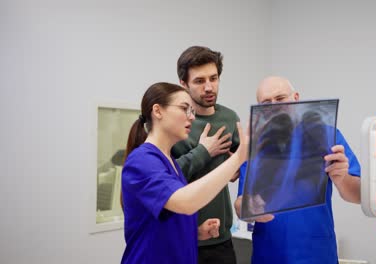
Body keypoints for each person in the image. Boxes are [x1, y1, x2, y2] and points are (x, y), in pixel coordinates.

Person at [234, 76, 361, 264]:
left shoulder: (326, 135)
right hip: (268, 253)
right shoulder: (253, 147)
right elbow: (239, 204)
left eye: (280, 98)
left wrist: (342, 178)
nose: (274, 106)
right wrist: (249, 207)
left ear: (296, 98)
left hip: (315, 253)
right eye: (266, 102)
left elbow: (358, 195)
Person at [121, 82, 246, 264]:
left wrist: (196, 233)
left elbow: (162, 227)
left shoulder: (171, 163)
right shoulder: (142, 161)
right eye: (184, 109)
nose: (192, 117)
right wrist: (239, 157)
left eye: (192, 111)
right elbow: (187, 202)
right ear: (158, 111)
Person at [171, 46, 240, 264]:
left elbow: (240, 165)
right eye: (199, 81)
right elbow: (166, 176)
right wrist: (203, 152)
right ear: (184, 84)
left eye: (214, 78)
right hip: (183, 238)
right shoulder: (174, 122)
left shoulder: (230, 118)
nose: (209, 87)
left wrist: (236, 168)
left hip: (221, 239)